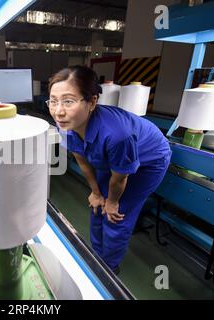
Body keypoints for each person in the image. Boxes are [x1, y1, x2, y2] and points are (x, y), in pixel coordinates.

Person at [48, 66, 171, 274]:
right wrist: (96, 193)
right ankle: (97, 256)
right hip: (114, 160)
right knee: (97, 205)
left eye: (68, 101)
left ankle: (108, 268)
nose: (59, 111)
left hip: (150, 161)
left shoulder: (116, 135)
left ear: (92, 102)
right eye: (53, 101)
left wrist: (113, 201)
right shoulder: (66, 124)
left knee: (116, 213)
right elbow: (82, 160)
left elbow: (119, 180)